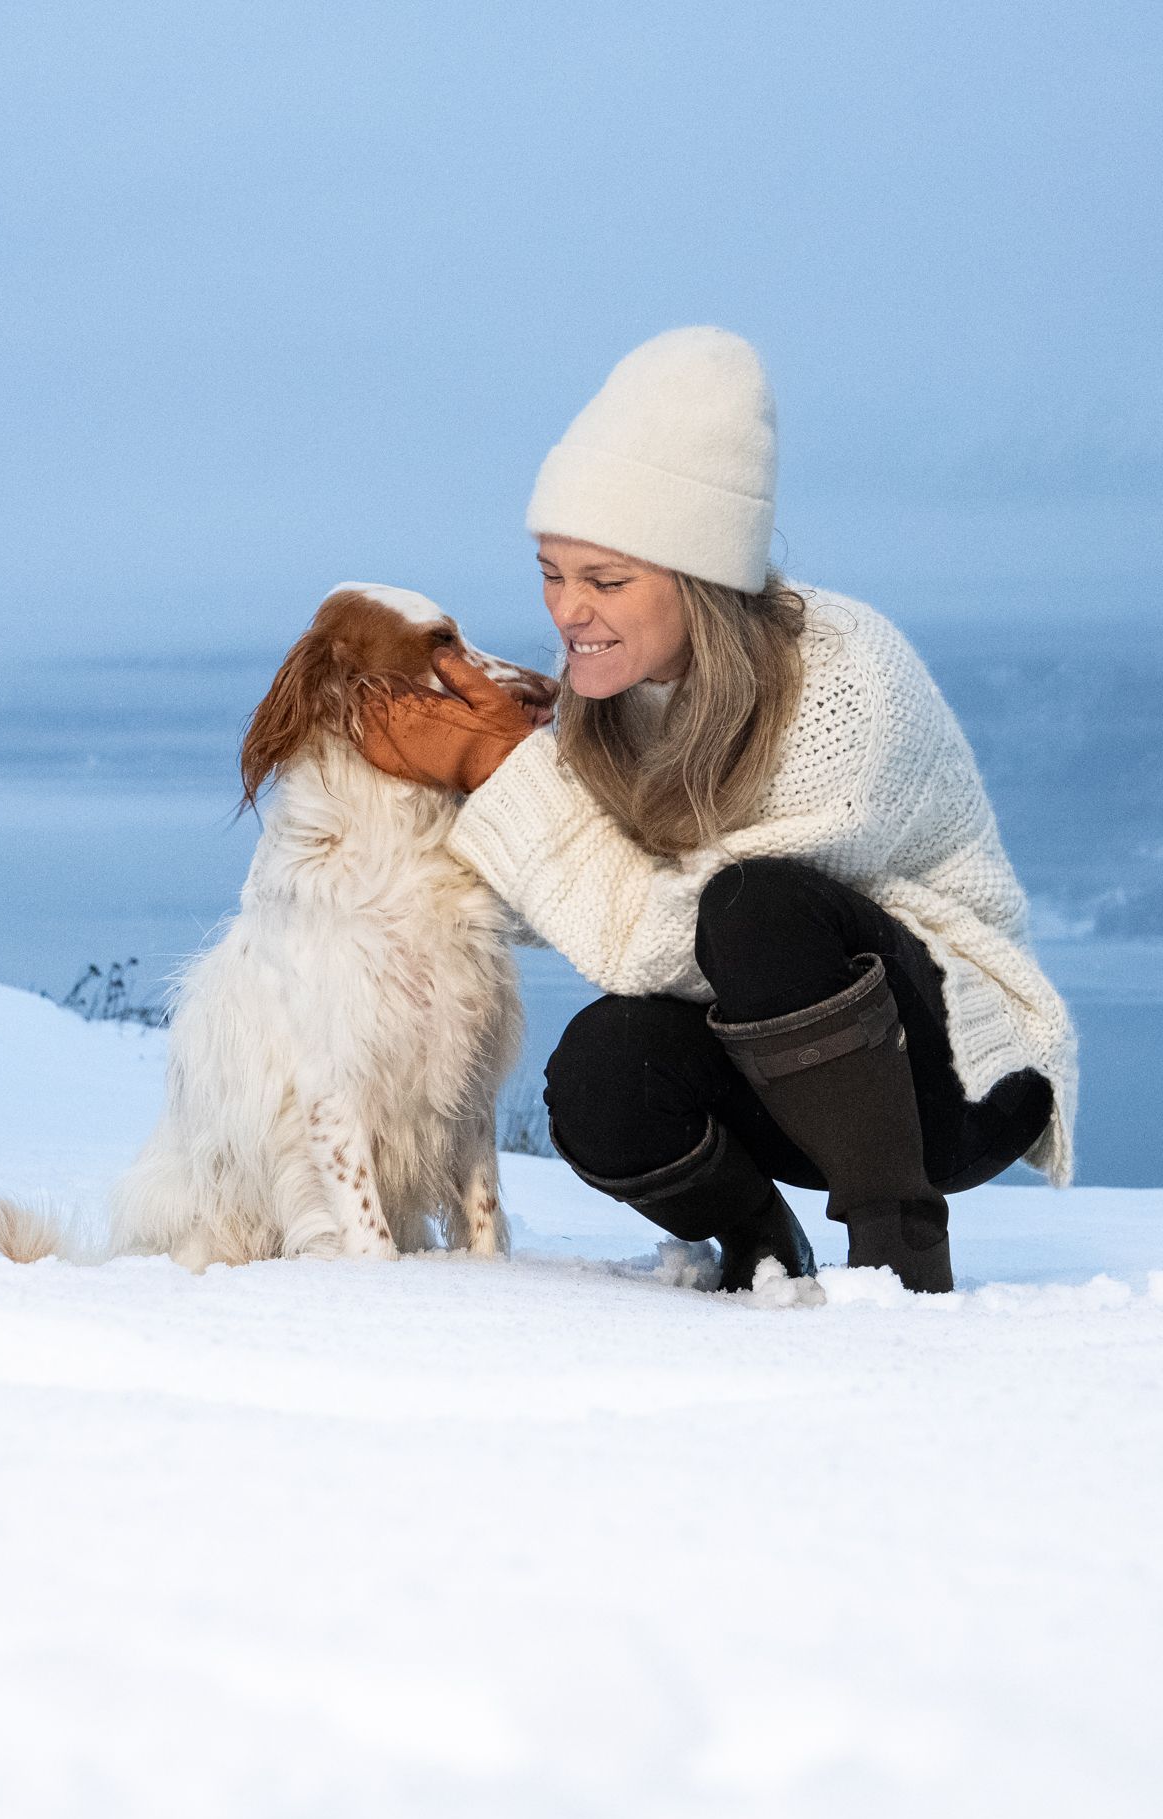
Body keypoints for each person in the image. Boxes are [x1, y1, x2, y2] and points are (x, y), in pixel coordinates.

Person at [358, 327, 1075, 1294]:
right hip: (793, 1067)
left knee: (754, 905)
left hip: (952, 1070)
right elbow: (569, 908)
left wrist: (506, 774)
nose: (568, 611)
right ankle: (763, 1251)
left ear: (701, 581)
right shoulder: (616, 697)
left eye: (607, 580)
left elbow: (673, 938)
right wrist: (450, 783)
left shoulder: (843, 680)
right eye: (551, 571)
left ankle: (899, 1268)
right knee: (601, 1072)